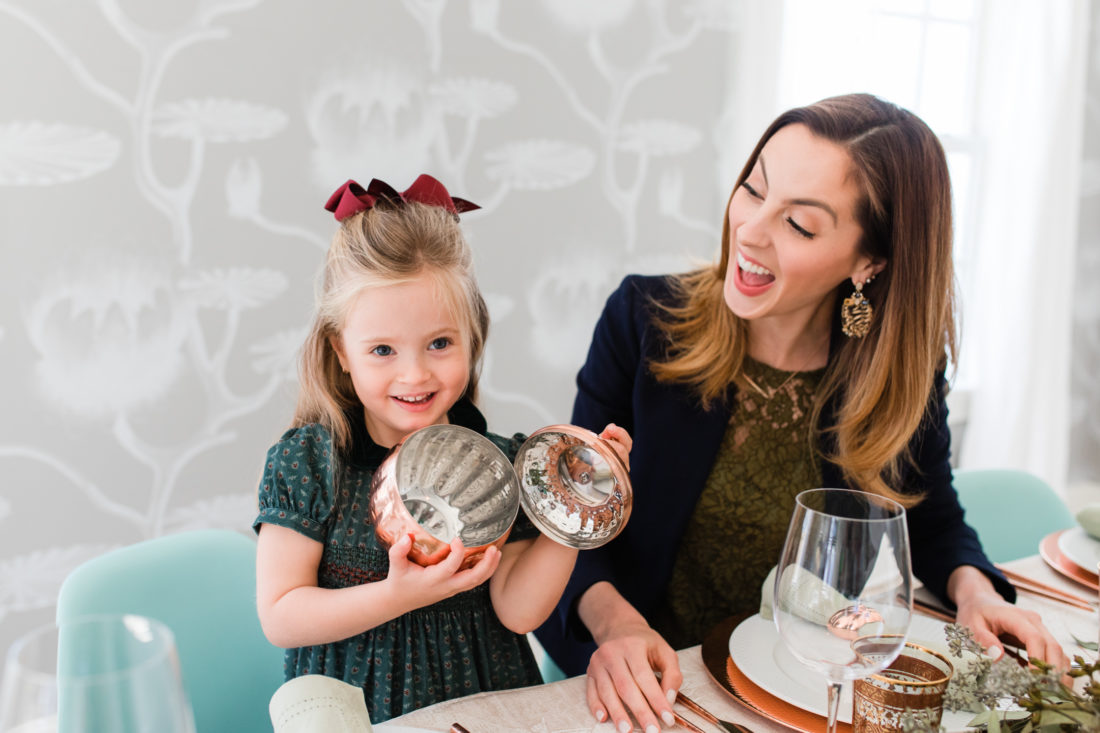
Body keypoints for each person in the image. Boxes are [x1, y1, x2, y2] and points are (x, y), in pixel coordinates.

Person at [532, 93, 1068, 733]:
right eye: (754, 190)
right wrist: (616, 625)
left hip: (804, 688)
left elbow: (929, 520)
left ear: (870, 261)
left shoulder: (902, 374)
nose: (751, 230)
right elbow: (568, 522)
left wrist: (975, 590)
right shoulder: (642, 321)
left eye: (800, 225)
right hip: (651, 683)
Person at [252, 174, 631, 723]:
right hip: (359, 714)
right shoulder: (311, 463)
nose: (415, 373)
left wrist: (574, 500)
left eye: (439, 343)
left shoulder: (502, 465)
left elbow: (519, 612)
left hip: (478, 707)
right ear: (341, 351)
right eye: (382, 349)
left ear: (472, 338)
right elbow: (281, 615)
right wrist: (397, 595)